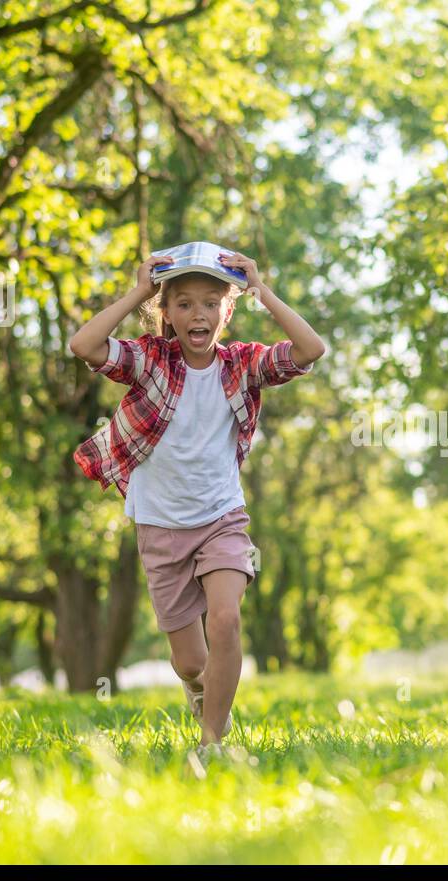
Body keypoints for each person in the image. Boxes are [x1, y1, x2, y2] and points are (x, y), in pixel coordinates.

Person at [69, 246, 325, 752]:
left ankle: (212, 745)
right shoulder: (149, 361)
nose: (198, 314)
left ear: (227, 312)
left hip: (221, 518)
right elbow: (85, 344)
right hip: (160, 525)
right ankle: (204, 693)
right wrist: (139, 290)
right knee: (190, 662)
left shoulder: (243, 365)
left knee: (226, 619)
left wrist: (262, 290)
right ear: (166, 313)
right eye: (183, 303)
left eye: (211, 303)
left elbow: (309, 349)